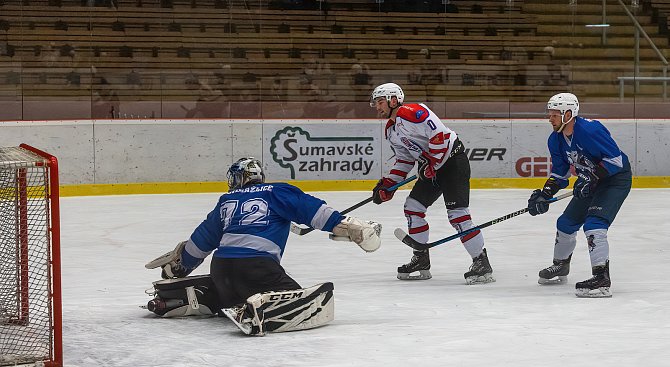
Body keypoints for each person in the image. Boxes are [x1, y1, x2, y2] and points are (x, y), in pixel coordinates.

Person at [144, 157, 382, 334]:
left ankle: (187, 299)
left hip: (221, 268)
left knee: (230, 290)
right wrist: (349, 227)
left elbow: (203, 240)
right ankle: (255, 309)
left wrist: (181, 266)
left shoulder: (227, 201)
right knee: (294, 296)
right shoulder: (276, 191)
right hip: (257, 267)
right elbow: (313, 211)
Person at [369, 82, 494, 284]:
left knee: (458, 216)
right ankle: (421, 258)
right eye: (376, 103)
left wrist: (433, 163)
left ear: (394, 99)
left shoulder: (412, 112)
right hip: (433, 169)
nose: (378, 107)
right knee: (413, 207)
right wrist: (389, 185)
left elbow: (440, 135)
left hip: (452, 162)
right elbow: (404, 160)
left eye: (381, 101)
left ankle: (481, 261)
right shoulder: (391, 130)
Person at [527, 93, 632, 298]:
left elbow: (615, 161)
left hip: (613, 181)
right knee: (565, 223)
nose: (550, 119)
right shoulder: (555, 139)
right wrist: (545, 194)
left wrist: (590, 177)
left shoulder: (590, 130)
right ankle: (561, 266)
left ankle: (601, 279)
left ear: (568, 114)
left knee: (594, 225)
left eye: (554, 115)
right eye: (550, 114)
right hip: (590, 181)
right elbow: (560, 172)